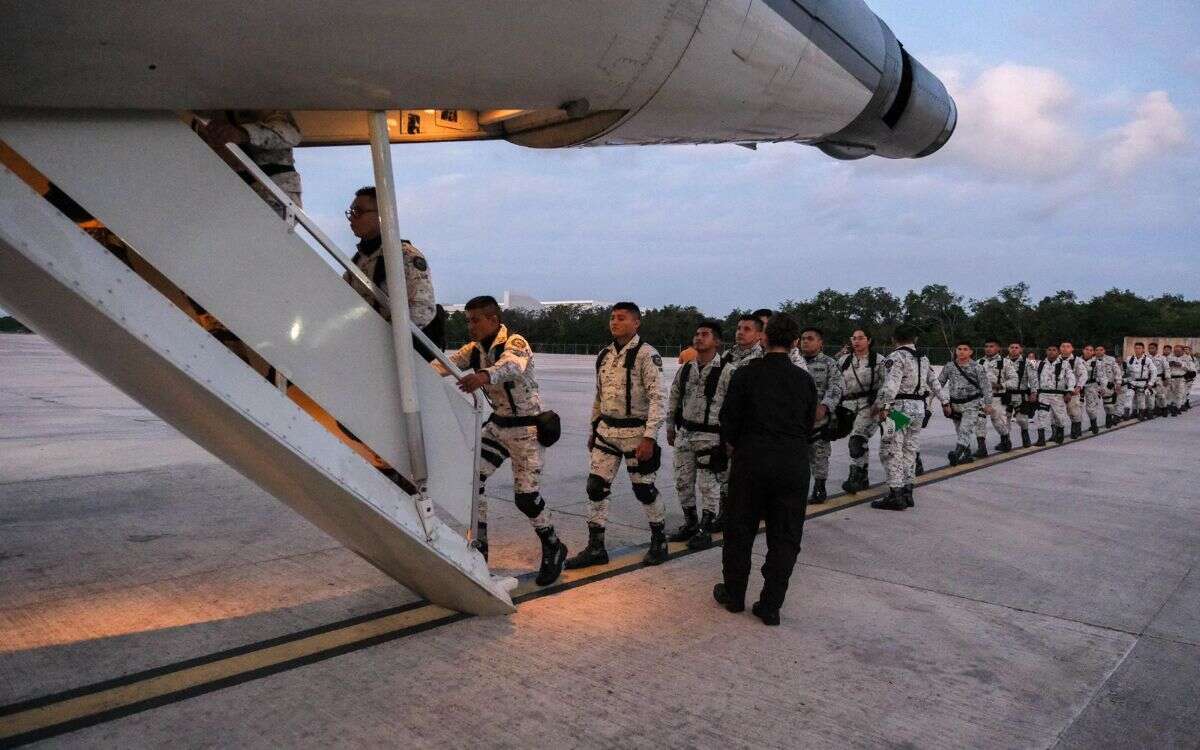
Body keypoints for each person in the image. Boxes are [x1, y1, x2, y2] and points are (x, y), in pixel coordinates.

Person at [441, 296, 568, 585]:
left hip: (527, 430)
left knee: (526, 499)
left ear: (493, 320)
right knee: (473, 481)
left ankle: (553, 546)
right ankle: (480, 549)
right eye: (468, 320)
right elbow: (445, 363)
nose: (470, 326)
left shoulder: (515, 342)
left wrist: (484, 375)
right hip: (498, 427)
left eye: (475, 320)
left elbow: (513, 366)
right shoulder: (474, 350)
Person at [713, 314, 816, 626]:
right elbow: (810, 423)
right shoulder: (804, 379)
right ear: (795, 342)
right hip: (793, 463)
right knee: (785, 536)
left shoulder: (746, 373)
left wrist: (736, 444)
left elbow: (728, 419)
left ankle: (734, 594)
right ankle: (771, 604)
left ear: (765, 338)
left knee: (739, 530)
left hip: (752, 460)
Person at [566, 302, 668, 569]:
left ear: (636, 323)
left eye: (621, 318)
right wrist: (593, 429)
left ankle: (659, 539)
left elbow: (658, 398)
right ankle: (596, 547)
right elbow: (599, 397)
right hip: (607, 432)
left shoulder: (647, 355)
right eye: (612, 318)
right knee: (595, 488)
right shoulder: (604, 355)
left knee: (644, 489)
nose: (614, 322)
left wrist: (650, 437)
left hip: (636, 433)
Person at [344, 186, 445, 353]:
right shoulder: (358, 259)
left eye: (358, 212)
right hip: (368, 347)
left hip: (395, 352)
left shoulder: (403, 255)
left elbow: (422, 311)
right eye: (351, 212)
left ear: (381, 215)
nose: (351, 219)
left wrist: (386, 345)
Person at [667, 320, 732, 550]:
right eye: (697, 334)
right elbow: (674, 396)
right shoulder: (686, 368)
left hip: (710, 437)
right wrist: (669, 426)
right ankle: (690, 522)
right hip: (685, 433)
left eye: (705, 334)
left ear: (717, 341)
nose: (698, 338)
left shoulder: (727, 371)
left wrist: (729, 440)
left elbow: (733, 408)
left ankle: (706, 527)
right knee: (683, 481)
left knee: (708, 485)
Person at [871, 325, 939, 510]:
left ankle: (895, 493)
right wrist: (945, 401)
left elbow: (891, 384)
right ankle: (908, 491)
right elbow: (934, 382)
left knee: (890, 449)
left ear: (894, 339)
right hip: (918, 408)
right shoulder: (923, 358)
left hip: (899, 410)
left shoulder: (896, 357)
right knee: (910, 449)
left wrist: (883, 406)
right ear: (915, 339)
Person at [194, 110, 303, 216]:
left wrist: (243, 134)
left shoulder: (262, 101)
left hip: (275, 194)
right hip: (228, 196)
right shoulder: (202, 113)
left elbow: (291, 134)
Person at [798, 327, 844, 503]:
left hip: (819, 419)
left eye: (810, 338)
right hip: (796, 420)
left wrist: (824, 407)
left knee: (819, 455)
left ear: (820, 343)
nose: (805, 342)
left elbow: (836, 386)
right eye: (802, 338)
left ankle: (819, 487)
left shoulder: (829, 363)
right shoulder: (795, 362)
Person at [838, 328, 886, 493]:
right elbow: (836, 382)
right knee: (859, 442)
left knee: (856, 440)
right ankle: (863, 477)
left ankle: (854, 477)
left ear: (869, 340)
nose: (856, 342)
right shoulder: (844, 360)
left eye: (860, 338)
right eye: (854, 338)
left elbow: (888, 385)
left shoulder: (879, 360)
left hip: (870, 404)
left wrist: (880, 405)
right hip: (848, 405)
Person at [938, 341, 992, 464]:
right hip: (955, 404)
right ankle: (967, 455)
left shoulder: (977, 367)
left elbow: (986, 387)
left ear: (971, 352)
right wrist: (941, 401)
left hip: (972, 403)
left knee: (965, 429)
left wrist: (988, 404)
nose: (961, 351)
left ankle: (956, 455)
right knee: (959, 430)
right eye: (959, 349)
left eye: (965, 349)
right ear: (955, 351)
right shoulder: (949, 366)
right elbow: (939, 383)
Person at [977, 339, 1018, 454]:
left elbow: (1014, 380)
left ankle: (1005, 439)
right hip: (981, 398)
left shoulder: (1005, 362)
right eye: (986, 346)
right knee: (979, 421)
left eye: (992, 346)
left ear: (998, 348)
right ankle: (981, 448)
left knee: (998, 422)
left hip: (997, 397)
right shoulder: (979, 362)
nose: (988, 348)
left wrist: (1001, 385)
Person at [1034, 344, 1075, 444]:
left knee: (1059, 416)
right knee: (1041, 415)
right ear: (1046, 351)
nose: (1051, 352)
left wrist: (1069, 391)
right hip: (1043, 394)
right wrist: (1034, 392)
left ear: (1058, 352)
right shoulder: (1040, 364)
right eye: (1049, 349)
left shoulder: (1064, 364)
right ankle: (1041, 438)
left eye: (1054, 350)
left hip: (1058, 395)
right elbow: (1034, 379)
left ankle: (1060, 433)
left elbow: (1071, 378)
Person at [1006, 342, 1037, 447]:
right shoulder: (1002, 362)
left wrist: (1033, 392)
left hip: (1021, 394)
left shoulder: (1028, 363)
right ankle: (1006, 440)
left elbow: (1033, 378)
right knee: (1005, 418)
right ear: (1008, 349)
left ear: (1021, 350)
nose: (1014, 349)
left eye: (1016, 347)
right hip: (1006, 394)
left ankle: (1025, 434)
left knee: (1021, 418)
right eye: (1011, 347)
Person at [1059, 342, 1089, 439]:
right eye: (1063, 346)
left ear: (1072, 349)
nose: (1065, 349)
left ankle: (1076, 429)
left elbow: (1084, 374)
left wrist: (1079, 387)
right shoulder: (1056, 359)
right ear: (1060, 348)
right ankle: (1057, 433)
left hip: (1073, 390)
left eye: (1068, 347)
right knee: (1057, 413)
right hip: (1058, 390)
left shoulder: (1077, 360)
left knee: (1073, 411)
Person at [1079, 345, 1108, 434]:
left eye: (1091, 350)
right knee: (1077, 408)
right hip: (1079, 387)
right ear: (1083, 350)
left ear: (1093, 352)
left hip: (1091, 386)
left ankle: (1093, 423)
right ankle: (1076, 427)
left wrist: (1103, 387)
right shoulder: (1077, 361)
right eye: (1086, 349)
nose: (1088, 351)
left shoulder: (1097, 363)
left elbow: (1102, 376)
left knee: (1091, 408)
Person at [1124, 342, 1157, 421]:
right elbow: (1126, 371)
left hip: (1142, 382)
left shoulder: (1147, 360)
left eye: (1139, 348)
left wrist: (1150, 383)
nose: (1137, 350)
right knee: (1129, 397)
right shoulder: (1130, 359)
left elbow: (1154, 371)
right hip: (1132, 382)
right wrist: (1125, 380)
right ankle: (1127, 413)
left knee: (1141, 399)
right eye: (1136, 348)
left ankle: (1141, 413)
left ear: (1143, 349)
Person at [1095, 345, 1123, 427]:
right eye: (1097, 350)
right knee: (1093, 406)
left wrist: (1118, 383)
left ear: (1104, 351)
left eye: (1101, 350)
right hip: (1096, 385)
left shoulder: (1111, 360)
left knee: (1108, 404)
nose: (1099, 351)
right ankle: (1094, 423)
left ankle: (1109, 418)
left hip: (1108, 385)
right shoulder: (1092, 360)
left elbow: (1117, 372)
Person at [1148, 342, 1169, 418]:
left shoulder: (1162, 358)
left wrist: (1167, 378)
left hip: (1159, 378)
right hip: (1149, 378)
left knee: (1161, 395)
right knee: (1150, 395)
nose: (1150, 350)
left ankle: (1164, 408)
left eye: (1152, 348)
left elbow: (1166, 369)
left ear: (1156, 349)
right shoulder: (1146, 357)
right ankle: (1152, 410)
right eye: (1149, 348)